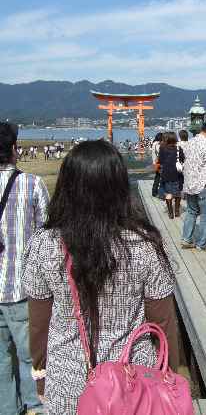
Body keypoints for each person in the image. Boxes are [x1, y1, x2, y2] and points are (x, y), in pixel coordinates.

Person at [21, 140, 179, 415]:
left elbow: (38, 324)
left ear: (66, 186)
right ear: (119, 186)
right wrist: (170, 371)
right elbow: (163, 320)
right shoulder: (144, 244)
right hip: (135, 380)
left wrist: (40, 368)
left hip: (70, 380)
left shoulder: (44, 243)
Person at [0, 122, 49, 415]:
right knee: (30, 356)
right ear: (14, 150)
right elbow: (47, 233)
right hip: (20, 285)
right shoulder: (31, 184)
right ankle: (34, 407)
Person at [182, 121, 206, 251]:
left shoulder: (189, 143)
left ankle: (186, 239)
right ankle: (201, 243)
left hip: (189, 183)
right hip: (203, 184)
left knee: (191, 212)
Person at [158, 132, 184, 219]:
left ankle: (170, 213)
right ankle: (177, 211)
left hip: (166, 173)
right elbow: (182, 159)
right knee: (178, 193)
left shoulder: (162, 148)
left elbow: (160, 161)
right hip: (177, 173)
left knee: (168, 193)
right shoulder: (178, 148)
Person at [151, 132, 163, 197]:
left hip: (155, 162)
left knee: (157, 177)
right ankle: (157, 192)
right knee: (159, 178)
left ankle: (154, 191)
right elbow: (160, 152)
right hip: (159, 163)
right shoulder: (158, 144)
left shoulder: (153, 143)